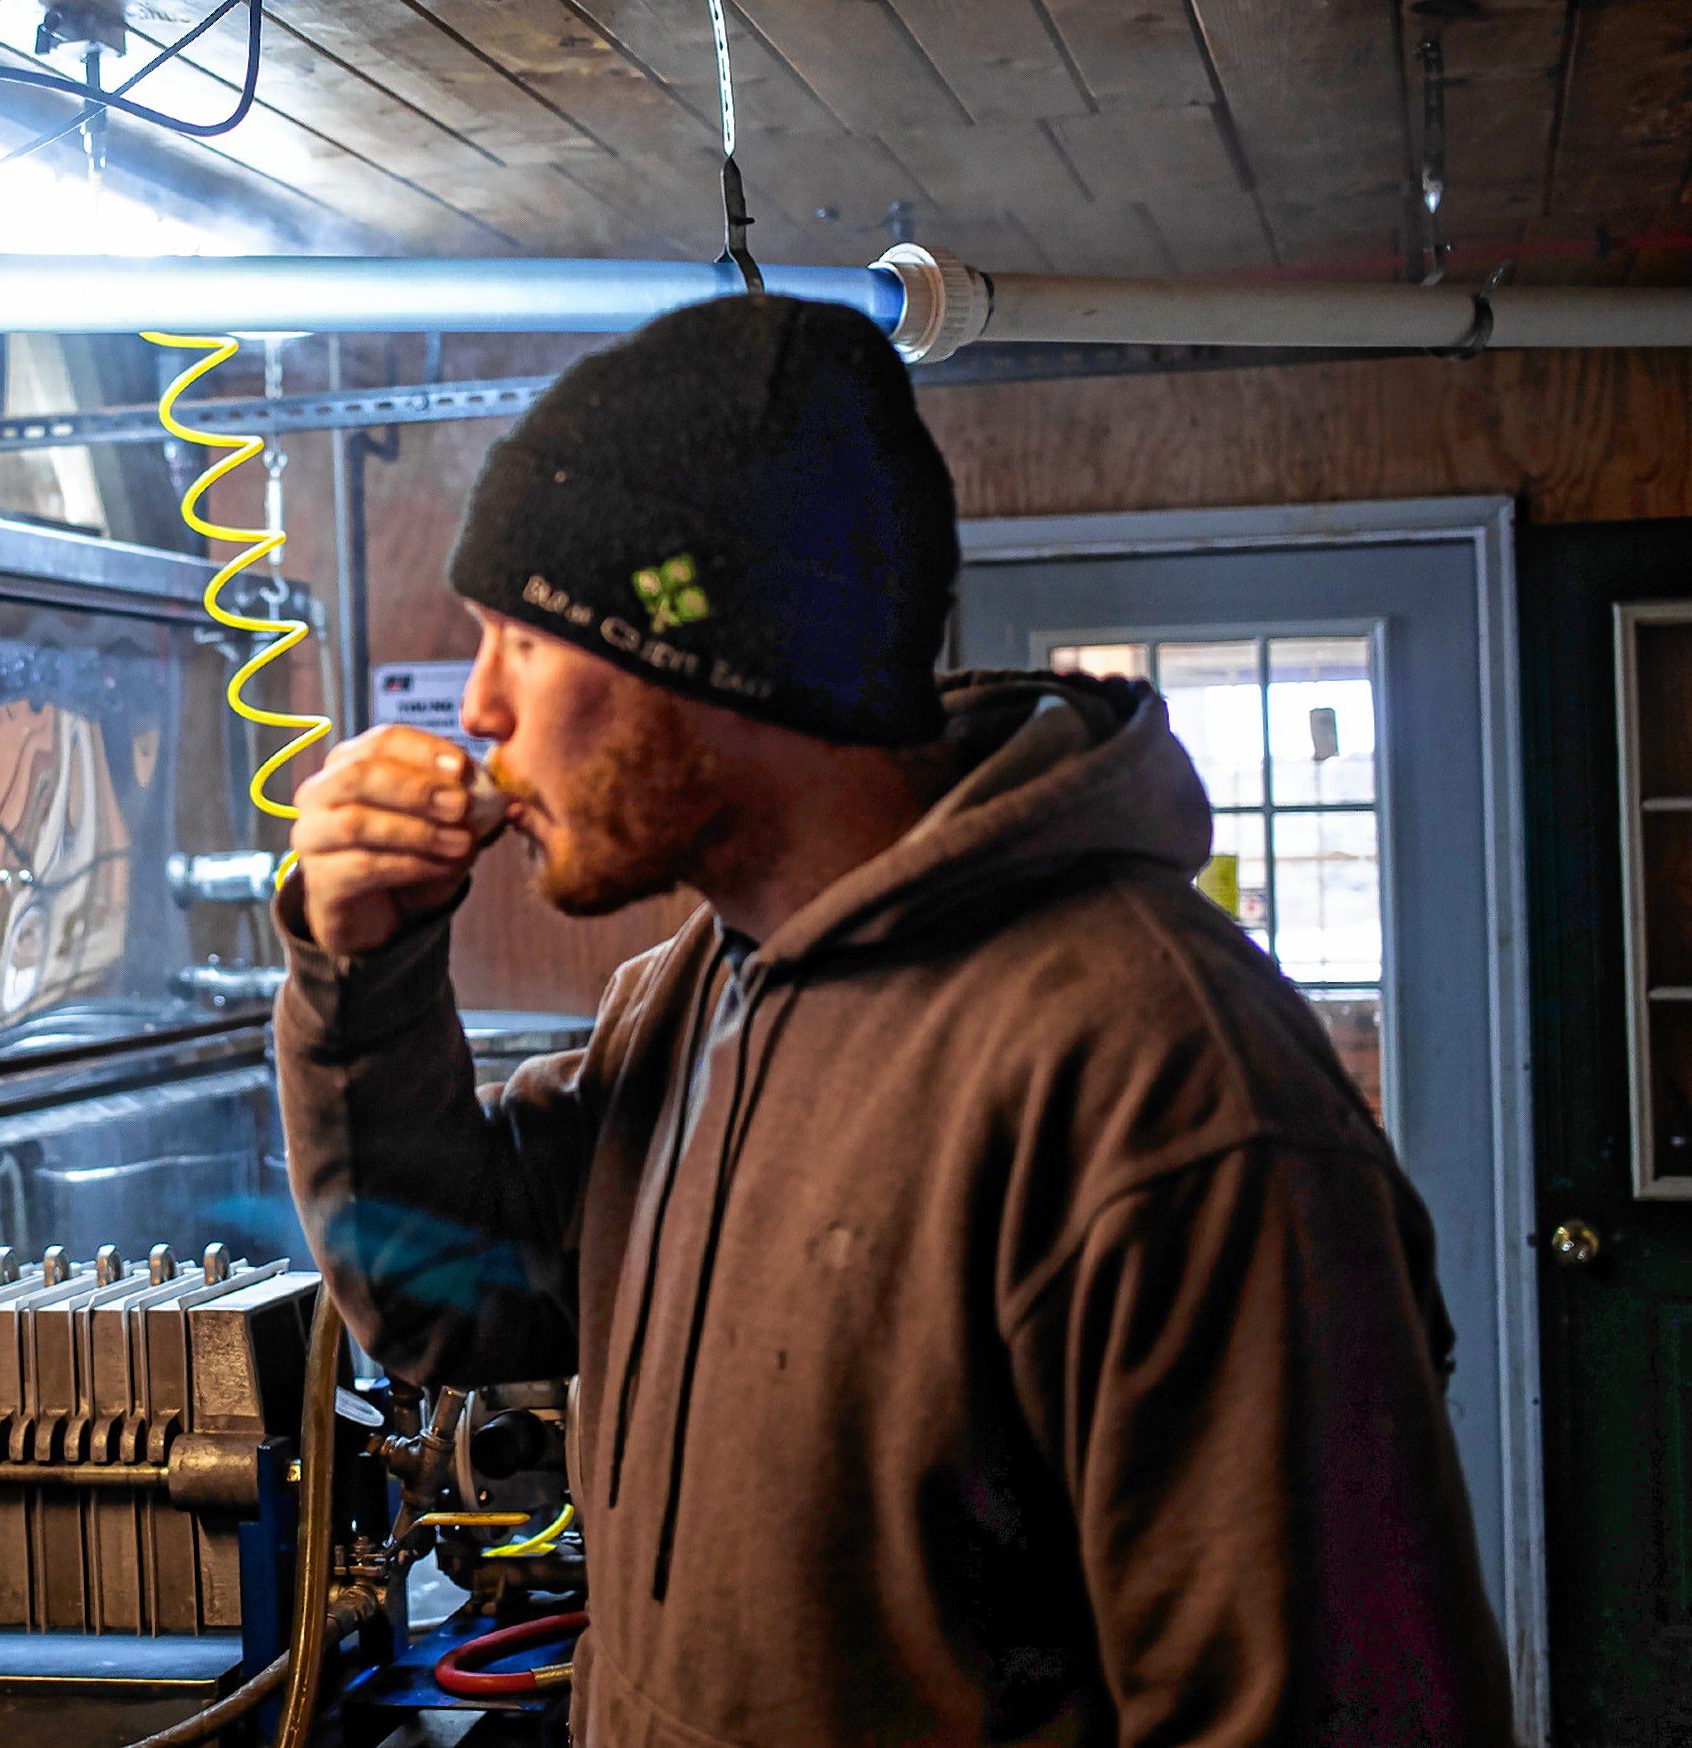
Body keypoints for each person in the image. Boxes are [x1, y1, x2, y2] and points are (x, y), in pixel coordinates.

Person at [273, 295, 1516, 1744]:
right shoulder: (690, 997)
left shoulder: (1162, 1078)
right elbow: (436, 1289)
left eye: (523, 641)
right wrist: (359, 971)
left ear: (708, 652)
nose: (477, 706)